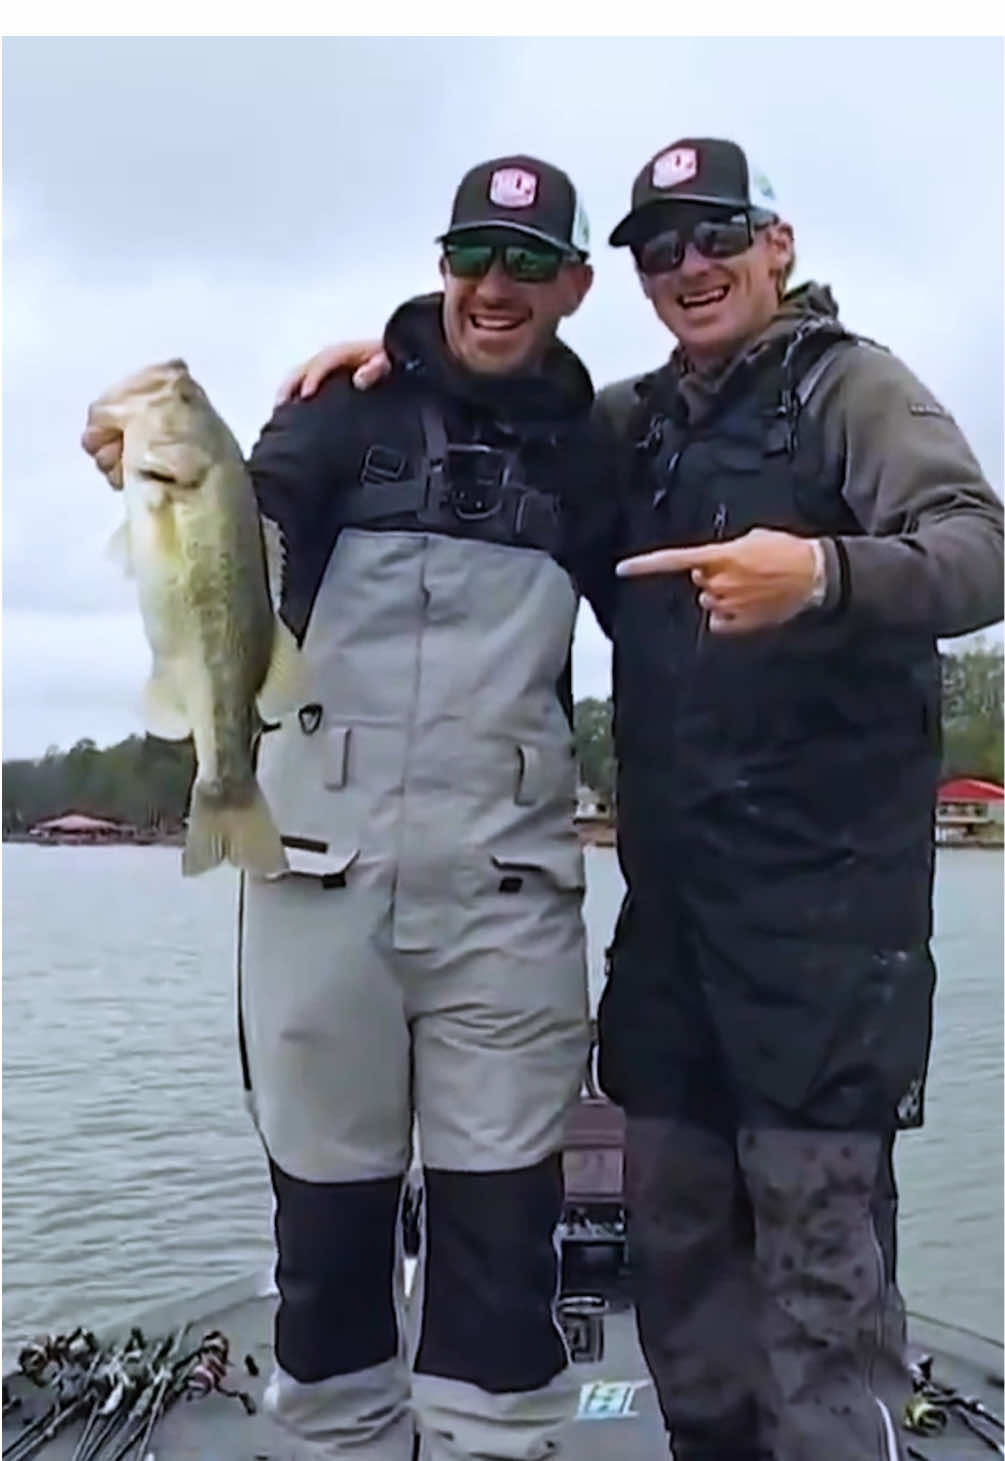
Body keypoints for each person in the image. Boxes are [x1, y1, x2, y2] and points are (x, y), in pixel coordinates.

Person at [277, 136, 1004, 1461]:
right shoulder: (629, 425)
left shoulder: (851, 390)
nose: (687, 266)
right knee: (678, 1284)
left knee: (821, 1302)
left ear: (775, 244)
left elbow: (977, 548)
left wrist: (821, 574)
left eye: (714, 234)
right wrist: (378, 369)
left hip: (827, 941)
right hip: (669, 939)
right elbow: (490, 406)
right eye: (655, 248)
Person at [81, 154, 619, 1461]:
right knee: (326, 1217)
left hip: (508, 897)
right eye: (472, 255)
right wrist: (131, 462)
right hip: (313, 870)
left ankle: (499, 1444)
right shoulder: (332, 415)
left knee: (504, 1225)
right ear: (441, 263)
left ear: (574, 285)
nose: (495, 285)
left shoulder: (608, 450)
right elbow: (218, 551)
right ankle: (333, 1443)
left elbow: (668, 642)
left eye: (528, 262)